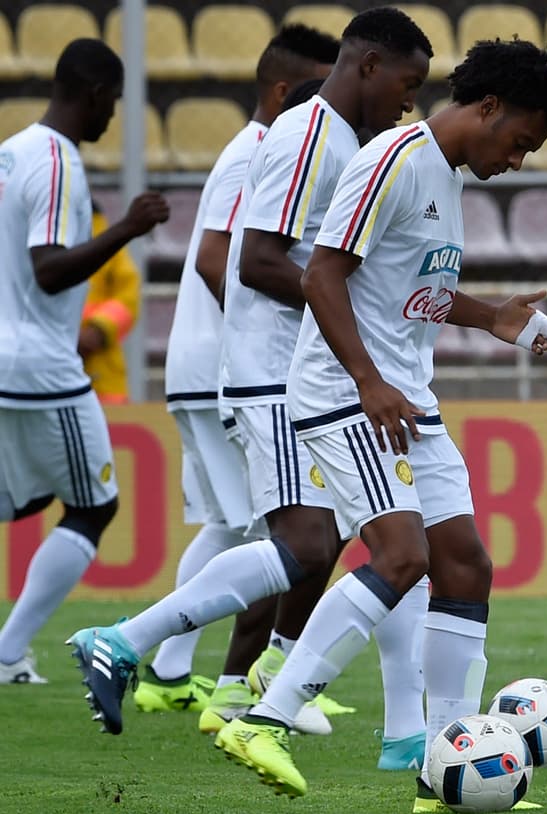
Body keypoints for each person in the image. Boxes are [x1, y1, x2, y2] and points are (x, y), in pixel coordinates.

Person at [214, 37, 547, 803]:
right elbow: (320, 273)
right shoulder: (393, 160)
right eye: (519, 142)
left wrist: (492, 317)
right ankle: (265, 715)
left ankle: (440, 764)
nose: (517, 161)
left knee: (467, 563)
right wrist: (368, 379)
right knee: (403, 555)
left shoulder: (444, 176)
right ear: (486, 107)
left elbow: (413, 289)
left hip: (407, 395)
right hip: (347, 396)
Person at [68, 6, 434, 741]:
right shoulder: (309, 138)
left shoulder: (330, 137)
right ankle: (135, 645)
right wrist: (342, 311)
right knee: (311, 544)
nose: (410, 99)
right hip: (273, 370)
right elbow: (256, 258)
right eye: (408, 81)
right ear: (368, 66)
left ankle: (267, 683)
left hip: (294, 372)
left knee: (343, 539)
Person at [132, 26, 341, 733]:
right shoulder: (254, 153)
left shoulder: (266, 150)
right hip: (229, 363)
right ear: (287, 92)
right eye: (323, 87)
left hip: (218, 362)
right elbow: (221, 262)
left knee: (237, 524)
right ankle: (239, 682)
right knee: (276, 535)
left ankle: (172, 669)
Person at [0, 39, 168, 684]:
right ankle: (10, 649)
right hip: (43, 369)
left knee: (20, 499)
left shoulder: (12, 152)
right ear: (96, 94)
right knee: (94, 506)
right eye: (114, 103)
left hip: (10, 361)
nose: (111, 118)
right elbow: (47, 271)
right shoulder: (58, 161)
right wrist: (126, 227)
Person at [79, 199, 141, 404]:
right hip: (59, 354)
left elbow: (128, 297)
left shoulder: (104, 240)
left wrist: (99, 330)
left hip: (100, 363)